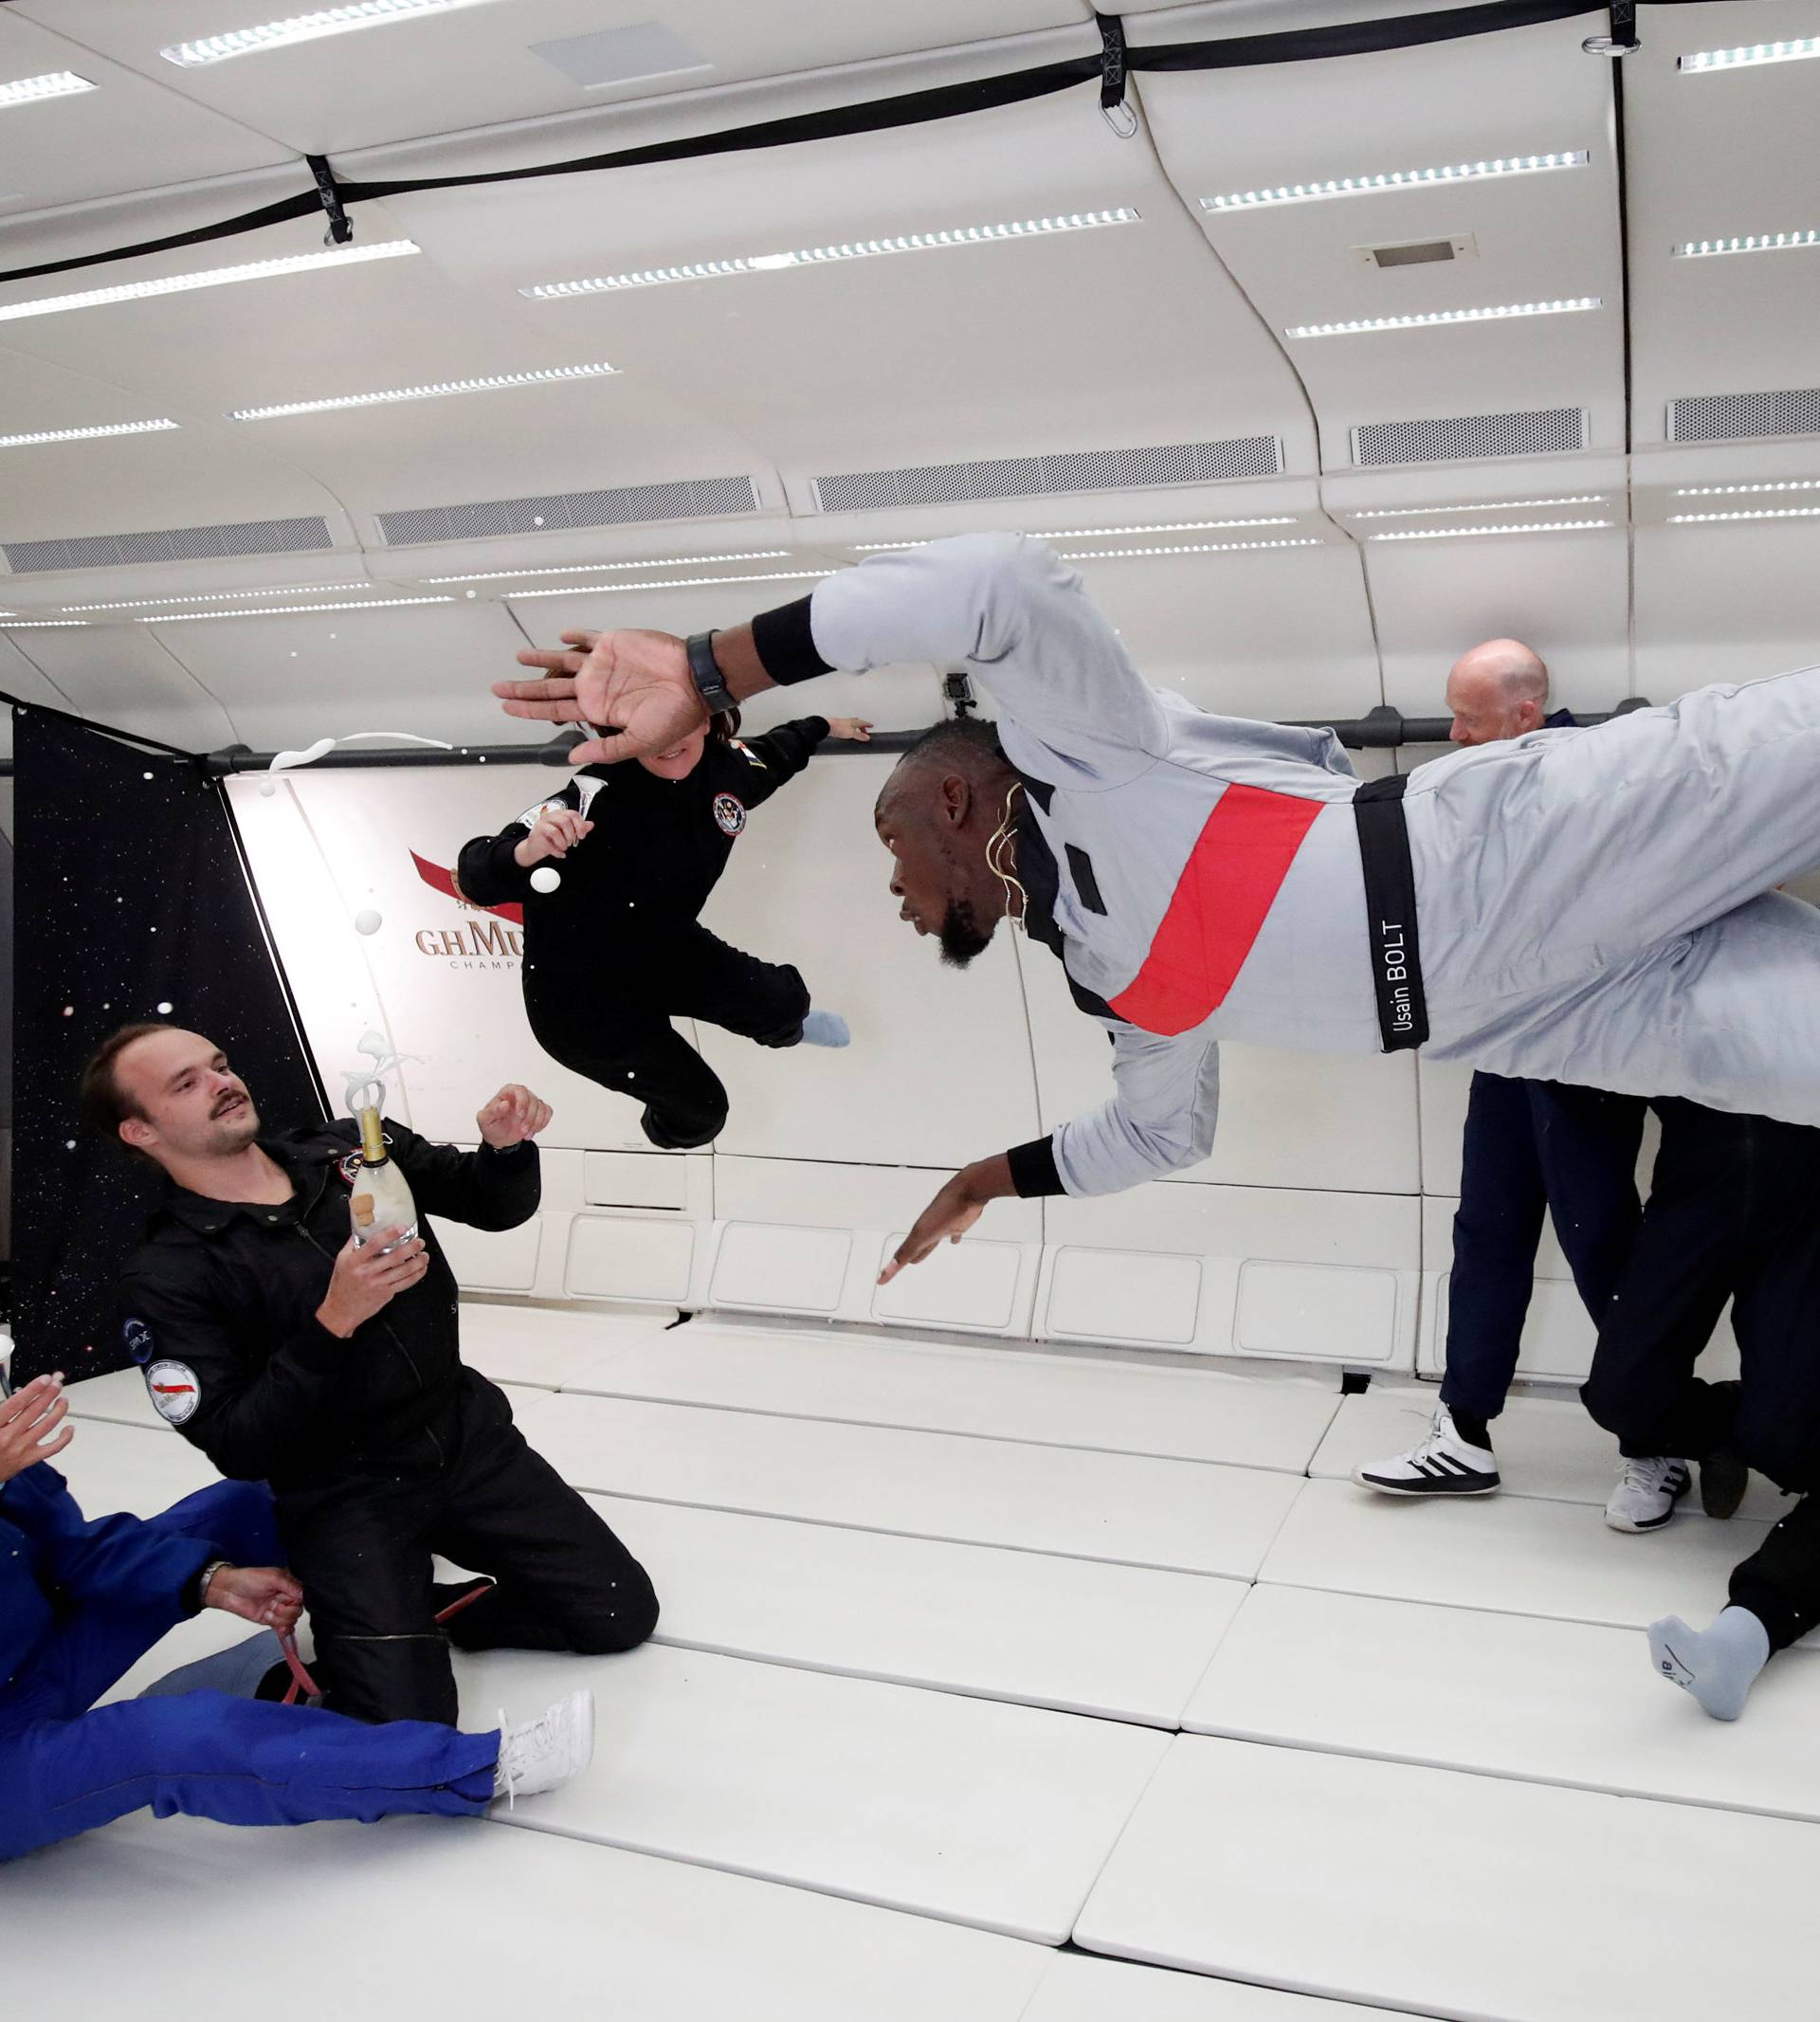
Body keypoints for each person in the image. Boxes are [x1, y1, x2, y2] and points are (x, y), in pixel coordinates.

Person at [491, 533, 1820, 1279]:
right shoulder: (1112, 978)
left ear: (954, 805)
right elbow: (1161, 1131)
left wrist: (719, 670)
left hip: (1504, 856)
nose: (899, 897)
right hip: (1535, 1016)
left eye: (896, 856)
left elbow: (1000, 588)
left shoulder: (1086, 750)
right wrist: (992, 1177)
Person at [90, 1022, 659, 1726]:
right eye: (187, 1083)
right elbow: (239, 1442)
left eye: (219, 1064)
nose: (223, 1082)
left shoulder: (353, 1148)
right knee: (405, 1728)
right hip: (346, 1492)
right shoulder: (167, 1274)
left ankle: (443, 1605)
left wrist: (506, 1148)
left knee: (618, 1614)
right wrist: (334, 1319)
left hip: (464, 1438)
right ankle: (307, 1668)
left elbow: (493, 1203)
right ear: (139, 1132)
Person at [0, 1372, 592, 1862]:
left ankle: (376, 1570)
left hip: (24, 1663)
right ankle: (471, 1769)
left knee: (238, 1508)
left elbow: (72, 1550)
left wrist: (209, 1580)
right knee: (174, 1737)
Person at [1355, 643, 1680, 1529]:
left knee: (1602, 1240)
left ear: (1527, 713)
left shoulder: (1598, 776)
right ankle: (1463, 1430)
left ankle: (1658, 1443)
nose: (1452, 733)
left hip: (1580, 1054)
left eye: (1469, 718)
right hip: (1503, 1046)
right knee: (1488, 1228)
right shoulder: (1471, 783)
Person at [456, 706, 873, 1150]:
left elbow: (777, 751)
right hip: (579, 999)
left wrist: (825, 725)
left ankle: (788, 1029)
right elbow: (475, 873)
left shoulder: (727, 769)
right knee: (704, 1114)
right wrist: (527, 849)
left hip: (664, 947)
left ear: (708, 721)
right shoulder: (591, 794)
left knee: (787, 1004)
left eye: (680, 728)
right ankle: (660, 1116)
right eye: (648, 735)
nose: (668, 745)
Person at [1571, 1099, 1820, 1718]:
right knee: (1623, 1393)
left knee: (1786, 1440)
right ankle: (1750, 1420)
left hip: (1805, 1186)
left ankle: (1740, 1641)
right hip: (1701, 1164)